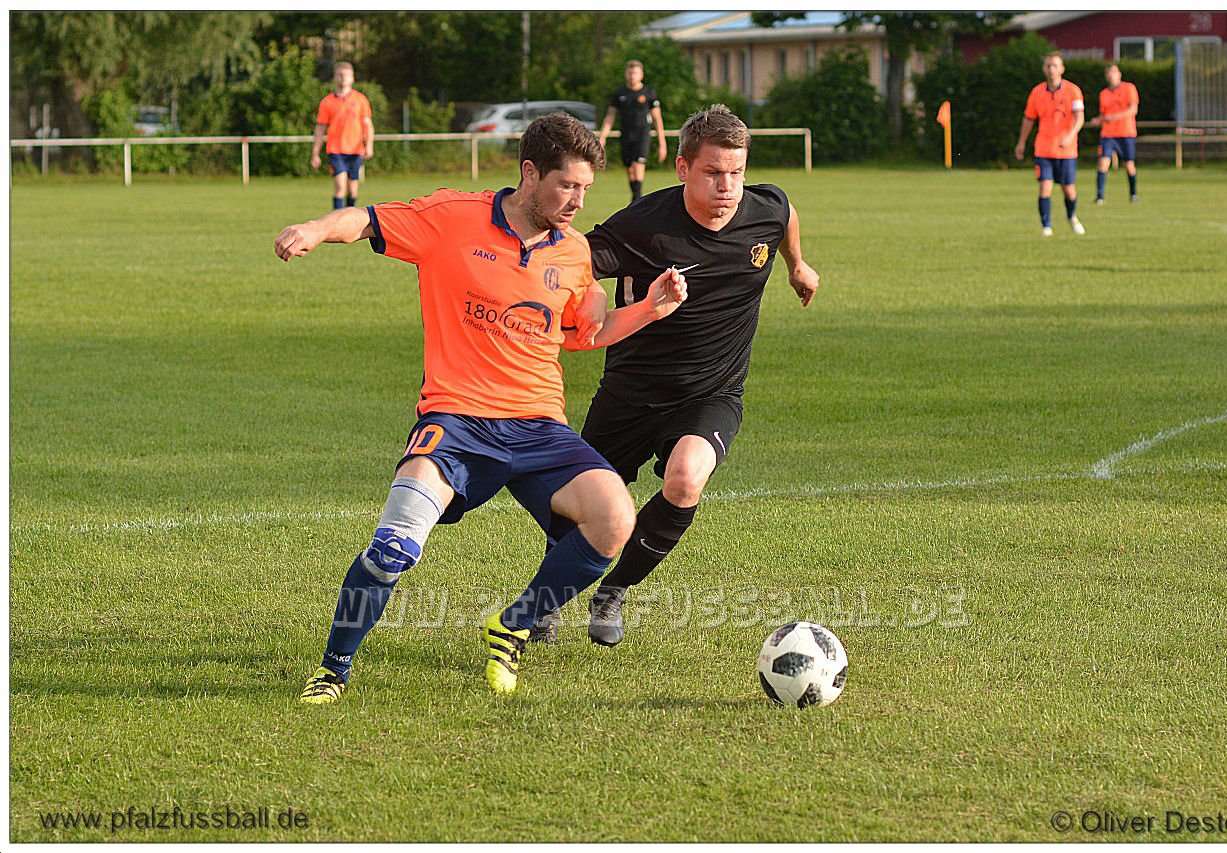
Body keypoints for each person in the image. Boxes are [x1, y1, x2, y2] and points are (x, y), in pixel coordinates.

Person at [274, 114, 688, 701]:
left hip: (538, 426)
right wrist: (316, 228)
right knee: (393, 548)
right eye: (567, 186)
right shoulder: (452, 217)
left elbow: (583, 333)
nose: (578, 201)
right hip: (456, 419)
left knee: (615, 519)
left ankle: (512, 625)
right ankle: (332, 671)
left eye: (586, 188)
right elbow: (366, 220)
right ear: (530, 173)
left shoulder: (574, 252)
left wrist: (650, 308)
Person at [530, 105, 820, 647]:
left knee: (686, 478)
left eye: (736, 172)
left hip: (711, 392)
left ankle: (613, 590)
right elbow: (578, 256)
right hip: (630, 390)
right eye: (713, 173)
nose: (727, 187)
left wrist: (797, 266)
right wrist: (592, 294)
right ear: (683, 167)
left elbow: (785, 217)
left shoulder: (764, 208)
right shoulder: (644, 224)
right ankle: (546, 602)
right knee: (577, 507)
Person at [1014, 51, 1086, 237]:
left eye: (1055, 65)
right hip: (1044, 149)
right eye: (1048, 65)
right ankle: (1046, 226)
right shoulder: (1037, 92)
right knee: (1045, 187)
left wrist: (1070, 136)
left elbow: (1079, 118)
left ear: (1062, 68)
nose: (1051, 69)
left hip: (1067, 151)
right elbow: (1028, 119)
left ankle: (1071, 216)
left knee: (1068, 190)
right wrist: (1021, 142)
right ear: (1044, 69)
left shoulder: (1073, 91)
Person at [598, 59, 667, 204]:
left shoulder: (648, 93)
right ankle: (635, 198)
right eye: (630, 73)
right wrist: (603, 137)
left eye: (635, 73)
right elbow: (610, 116)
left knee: (638, 165)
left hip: (642, 135)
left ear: (641, 74)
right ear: (626, 74)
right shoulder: (620, 93)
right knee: (630, 169)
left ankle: (637, 199)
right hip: (626, 135)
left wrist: (662, 143)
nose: (632, 76)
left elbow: (657, 119)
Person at [310, 61, 374, 210]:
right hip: (336, 150)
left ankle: (348, 215)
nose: (343, 78)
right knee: (340, 186)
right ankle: (337, 218)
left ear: (353, 78)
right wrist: (315, 153)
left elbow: (368, 125)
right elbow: (320, 128)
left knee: (352, 190)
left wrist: (369, 145)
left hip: (356, 150)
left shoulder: (361, 100)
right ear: (334, 78)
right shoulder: (327, 102)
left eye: (347, 75)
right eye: (340, 75)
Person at [1091, 64, 1139, 204]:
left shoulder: (1129, 88)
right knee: (1103, 164)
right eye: (1108, 73)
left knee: (1129, 165)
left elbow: (1133, 110)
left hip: (1126, 133)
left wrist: (1114, 117)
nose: (1111, 75)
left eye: (1113, 72)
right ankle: (1100, 197)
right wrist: (1098, 120)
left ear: (1119, 74)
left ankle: (1133, 194)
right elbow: (1103, 114)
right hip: (1108, 134)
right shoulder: (1104, 94)